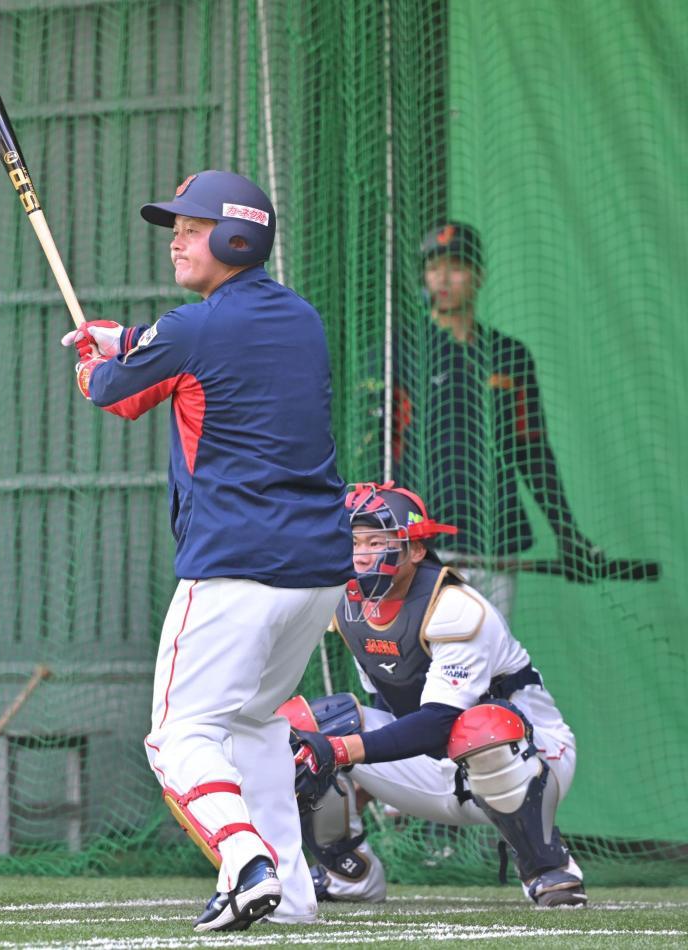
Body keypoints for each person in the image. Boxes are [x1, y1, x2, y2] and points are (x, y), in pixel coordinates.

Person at [61, 170, 352, 931]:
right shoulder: (301, 318)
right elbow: (185, 361)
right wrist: (123, 340)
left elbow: (112, 393)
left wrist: (96, 358)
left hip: (233, 566)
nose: (176, 242)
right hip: (317, 572)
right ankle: (289, 898)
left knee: (179, 735)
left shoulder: (192, 327)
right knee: (256, 722)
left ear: (236, 236)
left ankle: (244, 858)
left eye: (190, 228)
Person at [282, 481, 587, 908]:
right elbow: (383, 708)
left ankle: (546, 866)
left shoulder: (455, 607)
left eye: (377, 541)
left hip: (530, 757)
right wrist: (359, 775)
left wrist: (342, 752)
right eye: (353, 541)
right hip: (436, 766)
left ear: (416, 550)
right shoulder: (347, 605)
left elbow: (439, 721)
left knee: (479, 727)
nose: (363, 554)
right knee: (300, 731)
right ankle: (349, 876)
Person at [362, 221, 605, 617]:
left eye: (456, 265)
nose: (443, 277)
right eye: (433, 266)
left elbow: (532, 449)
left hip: (495, 538)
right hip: (419, 538)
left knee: (487, 662)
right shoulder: (396, 351)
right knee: (423, 663)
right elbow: (378, 449)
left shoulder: (510, 355)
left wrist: (568, 535)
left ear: (478, 275)